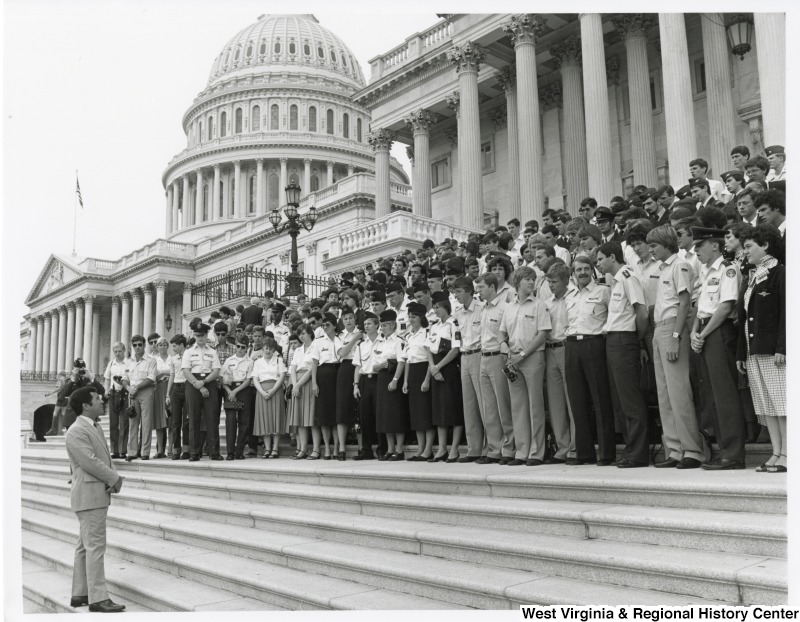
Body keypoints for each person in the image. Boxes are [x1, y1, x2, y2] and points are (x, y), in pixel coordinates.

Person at [646, 225, 707, 469]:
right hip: (659, 326)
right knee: (664, 394)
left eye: (654, 245)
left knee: (679, 392)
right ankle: (674, 449)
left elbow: (684, 304)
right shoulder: (662, 269)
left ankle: (692, 450)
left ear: (666, 244)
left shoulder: (680, 265)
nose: (650, 249)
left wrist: (674, 335)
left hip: (672, 326)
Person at [689, 227, 746, 470]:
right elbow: (702, 305)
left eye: (700, 246)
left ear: (714, 245)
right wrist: (694, 330)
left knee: (724, 395)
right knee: (710, 395)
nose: (696, 251)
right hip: (704, 329)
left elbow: (725, 306)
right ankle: (723, 450)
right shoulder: (704, 271)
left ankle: (732, 454)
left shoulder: (727, 269)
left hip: (718, 331)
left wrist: (702, 332)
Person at [65, 386, 126, 613]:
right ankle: (98, 598)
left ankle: (80, 593)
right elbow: (89, 461)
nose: (102, 400)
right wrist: (115, 478)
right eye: (97, 399)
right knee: (95, 547)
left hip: (92, 494)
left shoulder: (93, 426)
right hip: (90, 495)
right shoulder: (76, 430)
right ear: (86, 406)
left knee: (85, 546)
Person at [736, 226, 786, 473]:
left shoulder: (780, 272)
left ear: (765, 244)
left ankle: (788, 452)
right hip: (754, 349)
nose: (745, 252)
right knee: (767, 405)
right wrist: (740, 353)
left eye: (748, 247)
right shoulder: (754, 275)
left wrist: (783, 346)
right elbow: (744, 317)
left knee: (783, 404)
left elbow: (788, 313)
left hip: (774, 351)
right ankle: (776, 452)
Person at [596, 243, 651, 468]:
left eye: (600, 258)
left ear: (612, 257)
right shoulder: (615, 281)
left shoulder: (628, 277)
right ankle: (630, 448)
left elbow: (642, 313)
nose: (597, 263)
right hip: (613, 339)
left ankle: (638, 453)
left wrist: (636, 340)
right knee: (620, 399)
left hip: (625, 339)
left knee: (630, 399)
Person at [564, 256, 616, 466]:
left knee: (600, 399)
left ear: (592, 270)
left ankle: (606, 454)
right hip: (571, 345)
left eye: (586, 269)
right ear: (573, 272)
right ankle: (584, 453)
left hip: (594, 344)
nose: (583, 272)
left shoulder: (603, 291)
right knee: (577, 401)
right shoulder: (569, 295)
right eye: (579, 269)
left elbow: (613, 318)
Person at [499, 266, 551, 466]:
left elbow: (542, 334)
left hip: (532, 358)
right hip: (513, 360)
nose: (531, 282)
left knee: (535, 406)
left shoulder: (539, 305)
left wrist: (522, 354)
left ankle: (536, 452)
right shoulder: (509, 307)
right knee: (518, 407)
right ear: (518, 282)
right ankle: (521, 452)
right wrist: (505, 347)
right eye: (527, 279)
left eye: (533, 279)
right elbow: (501, 333)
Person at [474, 273, 515, 464]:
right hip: (483, 356)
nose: (478, 291)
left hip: (498, 356)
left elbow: (506, 334)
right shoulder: (483, 310)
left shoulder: (505, 308)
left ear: (492, 287)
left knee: (503, 405)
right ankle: (494, 448)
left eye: (481, 287)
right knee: (489, 407)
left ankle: (509, 448)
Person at [543, 264, 577, 462]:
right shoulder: (547, 302)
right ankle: (562, 446)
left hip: (567, 347)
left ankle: (574, 446)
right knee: (555, 403)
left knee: (572, 399)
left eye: (554, 281)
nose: (551, 285)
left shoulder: (573, 297)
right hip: (550, 350)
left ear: (565, 281)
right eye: (548, 281)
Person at [425, 292, 464, 462]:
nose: (436, 310)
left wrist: (438, 367)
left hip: (448, 367)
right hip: (435, 367)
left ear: (446, 307)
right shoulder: (434, 325)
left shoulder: (453, 324)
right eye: (433, 307)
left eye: (438, 307)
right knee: (439, 410)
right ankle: (441, 448)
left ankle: (454, 448)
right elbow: (428, 348)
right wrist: (433, 367)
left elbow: (455, 349)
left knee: (452, 409)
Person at [452, 277, 486, 462]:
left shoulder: (481, 309)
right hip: (464, 356)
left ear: (468, 291)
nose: (456, 295)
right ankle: (474, 448)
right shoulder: (457, 313)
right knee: (469, 405)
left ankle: (489, 447)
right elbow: (457, 337)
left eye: (458, 292)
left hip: (480, 354)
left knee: (484, 403)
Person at [180, 323, 222, 462]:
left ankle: (214, 451)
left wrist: (203, 384)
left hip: (208, 381)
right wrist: (198, 385)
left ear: (206, 335)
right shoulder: (188, 351)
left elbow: (216, 371)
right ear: (194, 335)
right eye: (198, 335)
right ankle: (194, 452)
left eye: (203, 335)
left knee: (212, 418)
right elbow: (186, 371)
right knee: (194, 418)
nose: (200, 338)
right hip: (193, 383)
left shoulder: (212, 351)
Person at [374, 309, 408, 460]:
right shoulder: (382, 342)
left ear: (394, 325)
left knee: (396, 414)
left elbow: (401, 361)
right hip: (381, 378)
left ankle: (399, 450)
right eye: (381, 326)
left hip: (392, 376)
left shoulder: (398, 341)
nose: (383, 328)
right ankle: (390, 448)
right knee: (385, 416)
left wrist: (395, 380)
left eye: (386, 325)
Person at [402, 302, 435, 461]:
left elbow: (430, 359)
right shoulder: (409, 335)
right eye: (409, 316)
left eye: (413, 316)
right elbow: (408, 360)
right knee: (416, 414)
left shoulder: (427, 333)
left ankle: (428, 449)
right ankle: (420, 448)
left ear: (421, 317)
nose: (411, 319)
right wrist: (405, 381)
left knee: (425, 413)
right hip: (413, 372)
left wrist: (427, 379)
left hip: (424, 371)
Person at [310, 313, 342, 459]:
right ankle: (327, 449)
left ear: (334, 325)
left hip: (338, 373)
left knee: (336, 413)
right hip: (323, 375)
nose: (324, 328)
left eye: (327, 325)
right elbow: (314, 363)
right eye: (323, 325)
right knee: (324, 414)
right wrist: (314, 383)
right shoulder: (318, 342)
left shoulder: (341, 339)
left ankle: (336, 448)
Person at [251, 337, 287, 459]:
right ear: (262, 348)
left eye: (270, 349)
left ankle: (275, 448)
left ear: (274, 350)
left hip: (275, 390)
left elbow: (282, 376)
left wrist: (273, 390)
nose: (268, 351)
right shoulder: (257, 362)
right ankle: (267, 448)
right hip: (262, 392)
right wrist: (261, 391)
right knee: (265, 420)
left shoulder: (278, 360)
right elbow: (255, 379)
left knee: (275, 418)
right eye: (266, 348)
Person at [352, 313, 382, 460]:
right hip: (364, 381)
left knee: (379, 414)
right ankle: (366, 449)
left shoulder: (383, 342)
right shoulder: (361, 345)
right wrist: (355, 385)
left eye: (369, 323)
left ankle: (383, 448)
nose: (366, 326)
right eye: (365, 324)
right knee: (364, 416)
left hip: (378, 380)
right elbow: (357, 367)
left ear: (377, 325)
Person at [122, 338, 156, 461]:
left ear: (144, 345)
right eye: (135, 345)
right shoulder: (128, 361)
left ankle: (145, 452)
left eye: (140, 345)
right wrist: (128, 388)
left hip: (146, 391)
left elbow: (151, 378)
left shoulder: (151, 360)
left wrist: (136, 387)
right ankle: (132, 451)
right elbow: (124, 377)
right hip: (132, 393)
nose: (137, 347)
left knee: (146, 423)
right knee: (133, 423)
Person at [220, 336, 254, 460]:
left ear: (247, 348)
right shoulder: (229, 360)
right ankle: (230, 452)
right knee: (230, 421)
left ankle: (239, 451)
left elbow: (249, 379)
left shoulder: (250, 361)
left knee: (244, 421)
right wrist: (230, 392)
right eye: (238, 346)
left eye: (243, 347)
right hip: (230, 390)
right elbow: (223, 378)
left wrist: (235, 391)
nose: (240, 349)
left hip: (243, 390)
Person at [289, 325, 316, 459]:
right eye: (299, 334)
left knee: (309, 416)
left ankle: (314, 449)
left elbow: (312, 369)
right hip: (297, 383)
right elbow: (293, 368)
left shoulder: (315, 347)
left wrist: (298, 384)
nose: (301, 336)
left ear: (310, 333)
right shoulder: (298, 350)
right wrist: (294, 384)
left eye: (304, 333)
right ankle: (303, 449)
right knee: (299, 417)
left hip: (308, 381)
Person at [103, 344, 130, 459]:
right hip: (114, 393)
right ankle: (114, 450)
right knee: (113, 423)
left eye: (119, 351)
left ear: (124, 350)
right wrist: (106, 390)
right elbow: (107, 378)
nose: (117, 354)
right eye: (115, 352)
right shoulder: (111, 363)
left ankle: (123, 450)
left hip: (125, 393)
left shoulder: (129, 363)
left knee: (124, 423)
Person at [166, 335, 190, 460]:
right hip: (176, 388)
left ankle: (186, 449)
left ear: (181, 345)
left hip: (187, 387)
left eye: (174, 346)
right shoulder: (173, 359)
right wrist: (167, 394)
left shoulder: (189, 356)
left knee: (186, 421)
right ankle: (176, 450)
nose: (173, 348)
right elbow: (171, 376)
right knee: (175, 421)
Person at [150, 337, 171, 458]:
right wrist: (164, 374)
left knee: (170, 419)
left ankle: (170, 449)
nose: (162, 347)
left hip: (169, 389)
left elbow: (175, 372)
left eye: (164, 345)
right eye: (160, 345)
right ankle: (160, 450)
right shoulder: (154, 360)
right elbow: (153, 375)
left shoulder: (172, 359)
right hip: (158, 390)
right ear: (156, 347)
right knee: (159, 420)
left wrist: (164, 374)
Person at [46, 371, 68, 436]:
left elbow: (58, 388)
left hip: (60, 398)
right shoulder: (67, 380)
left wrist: (50, 393)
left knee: (55, 412)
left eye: (59, 375)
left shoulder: (60, 380)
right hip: (65, 398)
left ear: (61, 375)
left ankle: (53, 429)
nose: (58, 376)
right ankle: (65, 427)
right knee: (63, 413)